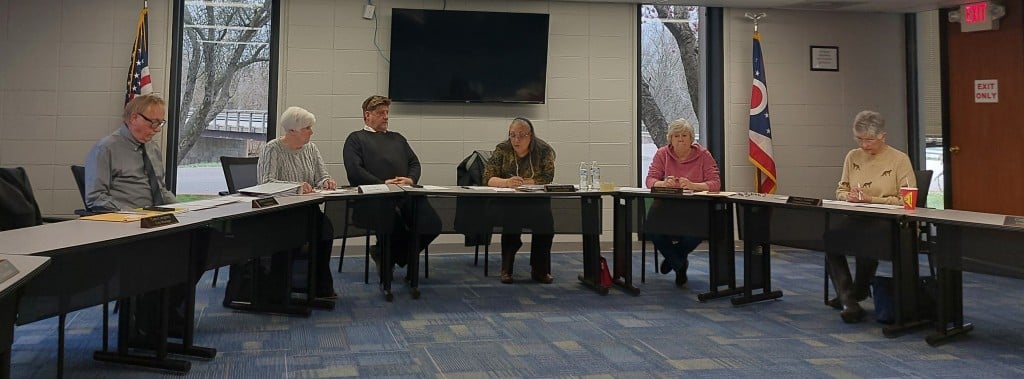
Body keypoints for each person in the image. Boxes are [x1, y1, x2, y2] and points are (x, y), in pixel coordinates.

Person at [84, 93, 188, 345]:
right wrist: (132, 215)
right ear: (133, 118)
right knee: (162, 256)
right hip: (126, 227)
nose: (156, 130)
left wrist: (184, 211)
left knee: (198, 244)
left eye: (160, 124)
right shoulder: (106, 148)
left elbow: (160, 190)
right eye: (153, 122)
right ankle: (143, 325)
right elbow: (96, 198)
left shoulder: (151, 148)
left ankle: (161, 315)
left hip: (154, 222)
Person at [828, 110, 915, 323]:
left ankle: (858, 290)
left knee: (867, 239)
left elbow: (908, 202)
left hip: (889, 221)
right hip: (858, 216)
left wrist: (872, 200)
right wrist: (847, 196)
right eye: (859, 139)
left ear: (882, 136)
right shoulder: (852, 156)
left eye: (869, 140)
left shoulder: (899, 160)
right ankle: (849, 298)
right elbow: (840, 189)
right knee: (830, 238)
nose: (864, 145)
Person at [343, 95, 438, 281]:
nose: (386, 117)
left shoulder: (398, 138)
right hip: (375, 199)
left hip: (405, 195)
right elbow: (355, 171)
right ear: (367, 116)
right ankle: (391, 259)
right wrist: (382, 184)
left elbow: (414, 163)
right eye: (380, 113)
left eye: (387, 113)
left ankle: (387, 254)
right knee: (394, 226)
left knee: (432, 224)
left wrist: (410, 180)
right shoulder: (356, 139)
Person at [252, 106, 337, 300]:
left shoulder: (311, 149)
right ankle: (279, 289)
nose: (311, 132)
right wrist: (296, 186)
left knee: (326, 228)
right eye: (307, 128)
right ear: (292, 131)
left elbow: (321, 176)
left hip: (307, 209)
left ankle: (320, 286)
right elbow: (266, 183)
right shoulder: (272, 149)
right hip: (281, 212)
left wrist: (326, 182)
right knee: (291, 234)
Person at [644, 119, 721, 287]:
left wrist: (695, 186)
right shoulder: (662, 154)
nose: (680, 139)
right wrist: (662, 184)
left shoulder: (703, 155)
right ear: (670, 139)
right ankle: (679, 264)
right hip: (667, 206)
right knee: (653, 230)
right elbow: (650, 179)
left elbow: (715, 183)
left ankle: (674, 258)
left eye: (685, 135)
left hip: (694, 208)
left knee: (696, 234)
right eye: (676, 136)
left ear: (692, 138)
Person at [483, 117, 557, 284]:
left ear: (531, 136)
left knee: (546, 223)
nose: (516, 140)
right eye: (512, 135)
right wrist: (507, 183)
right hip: (508, 202)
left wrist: (525, 182)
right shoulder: (502, 149)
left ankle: (539, 270)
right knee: (511, 219)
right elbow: (487, 177)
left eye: (521, 135)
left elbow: (547, 177)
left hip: (536, 203)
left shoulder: (544, 150)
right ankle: (506, 269)